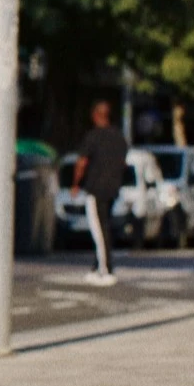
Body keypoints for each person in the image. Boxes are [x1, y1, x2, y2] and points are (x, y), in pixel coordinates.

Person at [71, 100, 125, 286]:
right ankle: (96, 267)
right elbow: (123, 163)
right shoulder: (119, 138)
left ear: (96, 115)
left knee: (99, 230)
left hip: (96, 189)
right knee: (104, 227)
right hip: (112, 189)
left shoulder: (93, 137)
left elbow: (82, 162)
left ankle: (106, 269)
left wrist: (76, 184)